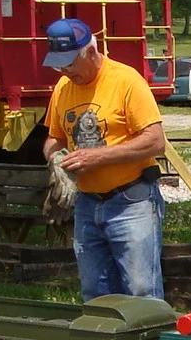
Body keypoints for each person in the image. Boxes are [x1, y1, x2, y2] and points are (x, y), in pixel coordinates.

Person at [40, 19, 167, 301]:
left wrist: (97, 157)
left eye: (70, 63)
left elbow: (155, 141)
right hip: (86, 204)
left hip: (131, 200)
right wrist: (55, 159)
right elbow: (55, 138)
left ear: (92, 53)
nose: (65, 71)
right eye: (59, 65)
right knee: (95, 292)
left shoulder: (126, 80)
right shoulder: (62, 88)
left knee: (141, 289)